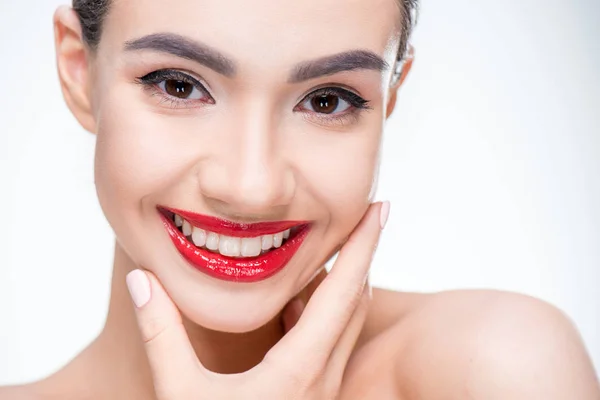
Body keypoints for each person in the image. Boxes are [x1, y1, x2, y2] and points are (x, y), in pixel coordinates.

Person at [2, 0, 599, 398]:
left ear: (389, 97)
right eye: (179, 85)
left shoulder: (494, 368)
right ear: (80, 70)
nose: (251, 186)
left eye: (327, 100)